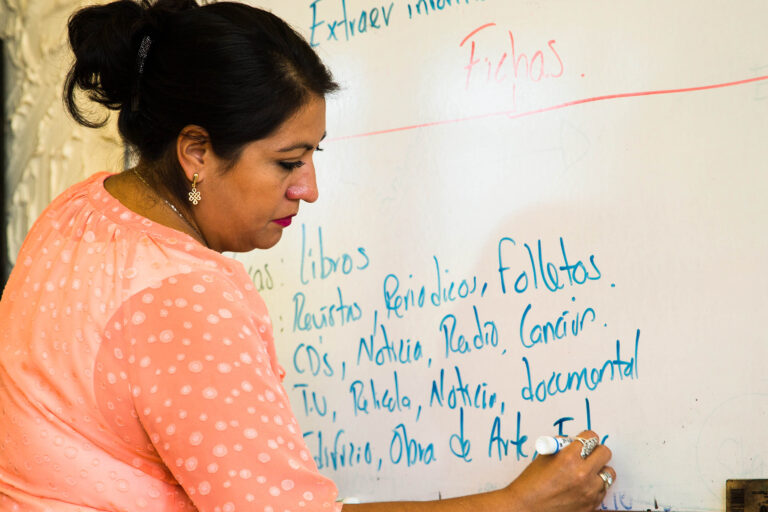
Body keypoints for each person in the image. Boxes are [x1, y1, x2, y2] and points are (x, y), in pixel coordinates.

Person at [0, 0, 615, 510]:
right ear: (196, 152)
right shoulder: (183, 295)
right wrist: (517, 504)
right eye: (288, 162)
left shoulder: (80, 210)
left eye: (313, 156)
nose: (308, 189)